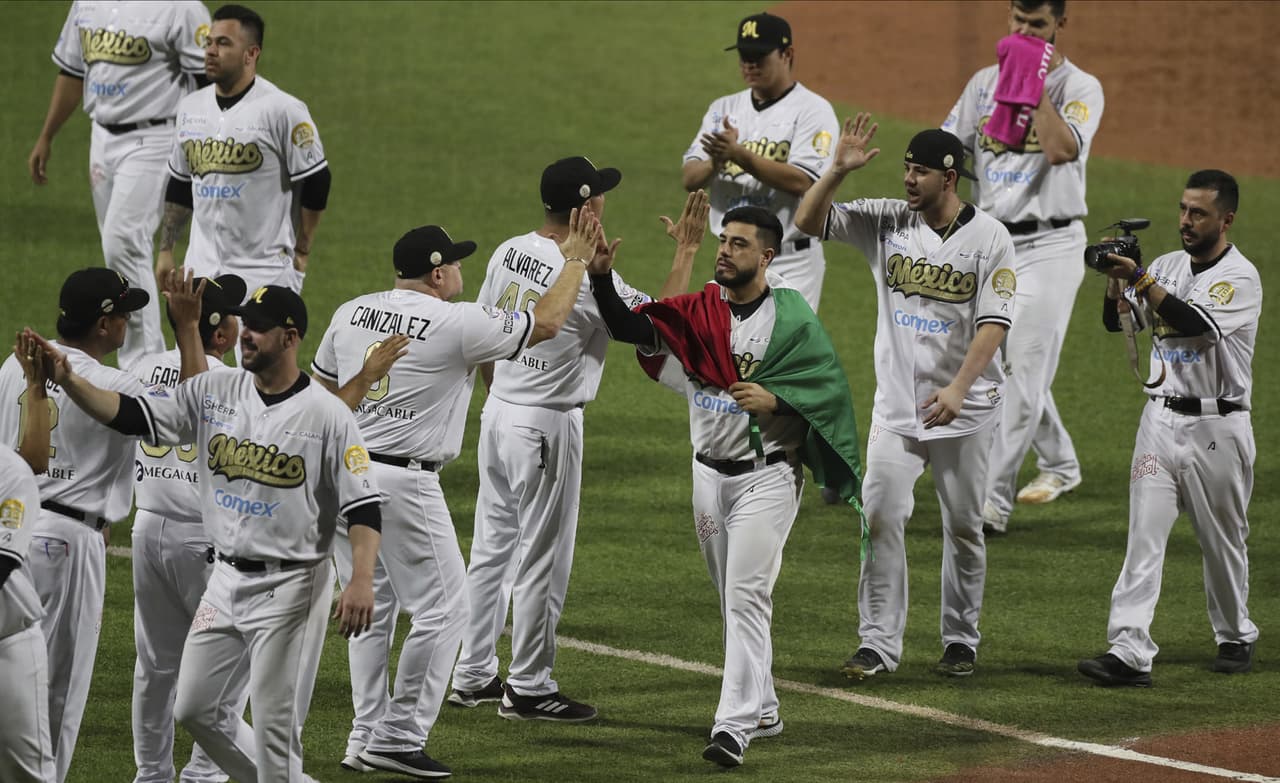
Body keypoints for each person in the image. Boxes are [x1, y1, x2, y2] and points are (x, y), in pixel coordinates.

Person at [27, 283, 381, 782]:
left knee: (275, 728)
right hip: (225, 580)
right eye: (245, 324)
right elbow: (132, 415)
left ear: (290, 337)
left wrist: (361, 578)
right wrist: (69, 380)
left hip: (291, 585)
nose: (246, 334)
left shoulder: (328, 414)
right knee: (195, 707)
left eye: (259, 327)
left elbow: (364, 505)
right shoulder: (217, 389)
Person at [310, 210, 603, 778]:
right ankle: (399, 737)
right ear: (437, 274)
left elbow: (321, 398)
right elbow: (546, 323)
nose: (464, 269)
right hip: (405, 484)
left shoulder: (349, 312)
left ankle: (365, 734)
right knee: (447, 610)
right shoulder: (456, 322)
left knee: (372, 609)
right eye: (457, 262)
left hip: (344, 477)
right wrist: (574, 261)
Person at [587, 203, 863, 768]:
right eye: (723, 241)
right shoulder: (700, 311)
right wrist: (600, 279)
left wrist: (777, 401)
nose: (725, 251)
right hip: (708, 478)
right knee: (732, 599)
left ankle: (733, 727)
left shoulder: (792, 318)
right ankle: (765, 707)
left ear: (767, 255)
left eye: (739, 244)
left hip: (767, 478)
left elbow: (829, 393)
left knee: (745, 596)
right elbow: (633, 329)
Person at [795, 116, 1016, 680]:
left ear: (950, 178)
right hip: (896, 409)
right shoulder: (887, 220)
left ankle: (960, 639)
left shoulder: (991, 238)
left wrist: (959, 388)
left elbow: (994, 323)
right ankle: (877, 643)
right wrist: (836, 172)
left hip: (966, 410)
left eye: (920, 171)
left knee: (963, 525)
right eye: (906, 168)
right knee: (878, 515)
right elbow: (807, 220)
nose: (908, 179)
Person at [449, 157, 654, 724]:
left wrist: (500, 396)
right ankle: (529, 687)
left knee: (491, 552)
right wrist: (684, 254)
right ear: (585, 206)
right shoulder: (581, 274)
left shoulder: (508, 250)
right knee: (543, 557)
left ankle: (472, 674)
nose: (606, 202)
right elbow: (653, 324)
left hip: (498, 413)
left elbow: (487, 334)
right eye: (600, 194)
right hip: (545, 424)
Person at [1078, 170, 1260, 687]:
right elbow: (1119, 322)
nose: (1185, 220)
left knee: (1222, 540)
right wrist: (1117, 283)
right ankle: (1129, 649)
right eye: (1183, 209)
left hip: (1217, 427)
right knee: (1144, 537)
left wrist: (1140, 279)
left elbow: (1195, 324)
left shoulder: (1240, 276)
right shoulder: (1165, 266)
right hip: (1159, 421)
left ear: (1225, 219)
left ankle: (1235, 632)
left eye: (1198, 213)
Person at [941, 0, 1105, 533]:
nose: (1025, 31)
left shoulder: (1080, 88)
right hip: (991, 245)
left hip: (1051, 245)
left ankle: (990, 504)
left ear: (1060, 25)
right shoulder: (983, 83)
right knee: (1001, 365)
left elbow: (1059, 150)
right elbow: (950, 151)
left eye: (1037, 25)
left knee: (1023, 374)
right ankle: (1060, 462)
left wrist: (1031, 84)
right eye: (1018, 21)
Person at [0, 268, 152, 783]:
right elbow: (171, 421)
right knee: (58, 696)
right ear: (104, 324)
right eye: (124, 312)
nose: (129, 321)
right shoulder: (116, 384)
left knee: (13, 682)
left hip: (12, 531)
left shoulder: (14, 365)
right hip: (69, 543)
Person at [28, 0, 212, 368]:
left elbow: (208, 83)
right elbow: (72, 71)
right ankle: (145, 361)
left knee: (123, 240)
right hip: (102, 138)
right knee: (120, 247)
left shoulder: (181, 8)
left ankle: (144, 363)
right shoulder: (86, 4)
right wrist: (47, 135)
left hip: (156, 137)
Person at [127, 273, 245, 783]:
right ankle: (203, 774)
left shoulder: (142, 367)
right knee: (224, 664)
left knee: (154, 666)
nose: (242, 323)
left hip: (147, 528)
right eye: (235, 315)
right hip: (204, 541)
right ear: (218, 333)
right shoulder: (230, 384)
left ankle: (151, 774)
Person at [156, 4, 331, 306]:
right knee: (194, 340)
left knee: (257, 341)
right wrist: (166, 250)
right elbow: (181, 181)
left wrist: (302, 250)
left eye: (223, 43)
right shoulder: (190, 107)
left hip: (263, 275)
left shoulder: (282, 109)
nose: (210, 51)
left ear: (251, 54)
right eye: (209, 42)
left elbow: (317, 179)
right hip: (200, 271)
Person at [682, 11, 838, 311]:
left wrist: (738, 154)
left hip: (790, 261)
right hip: (732, 256)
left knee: (781, 341)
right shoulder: (722, 109)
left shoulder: (813, 111)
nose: (749, 64)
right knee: (729, 341)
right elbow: (690, 178)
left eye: (759, 56)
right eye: (744, 56)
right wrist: (715, 163)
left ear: (787, 54)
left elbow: (802, 181)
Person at [0, 333, 58, 783]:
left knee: (29, 774)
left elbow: (1, 564)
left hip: (8, 646)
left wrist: (37, 388)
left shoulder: (9, 472)